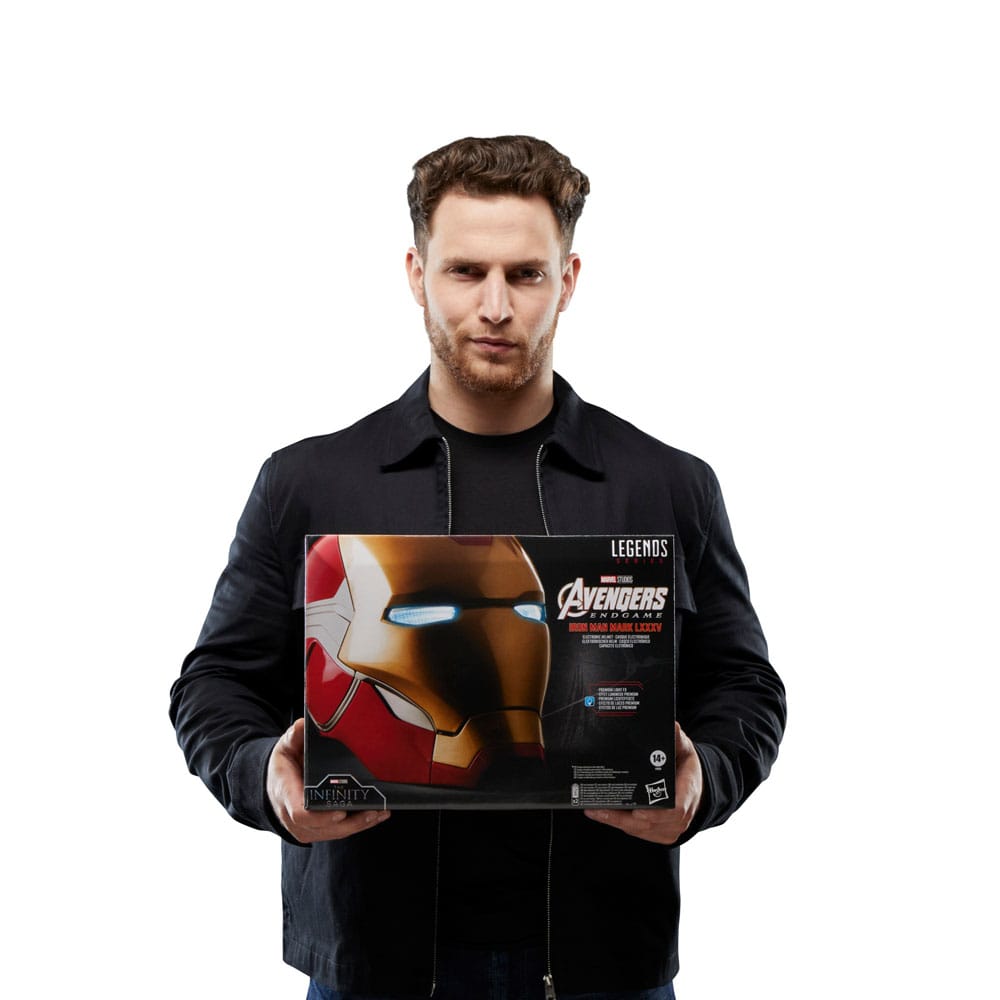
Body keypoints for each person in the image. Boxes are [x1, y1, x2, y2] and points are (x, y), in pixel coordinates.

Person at [170, 135, 786, 1000]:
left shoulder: (667, 486)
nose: (495, 306)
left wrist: (704, 777)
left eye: (525, 275)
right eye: (465, 272)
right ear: (417, 274)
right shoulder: (307, 482)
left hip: (603, 967)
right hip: (375, 968)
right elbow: (215, 685)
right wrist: (263, 776)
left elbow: (745, 687)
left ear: (567, 281)